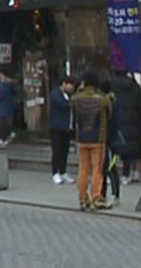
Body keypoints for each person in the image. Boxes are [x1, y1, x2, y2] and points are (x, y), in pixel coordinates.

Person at [71, 71, 111, 210]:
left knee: (83, 169)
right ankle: (96, 196)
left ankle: (82, 197)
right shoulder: (102, 99)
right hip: (98, 138)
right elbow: (109, 113)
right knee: (97, 170)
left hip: (81, 138)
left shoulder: (76, 99)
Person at [47, 75, 75, 184]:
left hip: (66, 127)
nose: (71, 88)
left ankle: (63, 171)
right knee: (57, 150)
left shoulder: (68, 95)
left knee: (65, 150)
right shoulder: (55, 94)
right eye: (70, 85)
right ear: (64, 84)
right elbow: (64, 105)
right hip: (56, 127)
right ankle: (55, 172)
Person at [0, 70, 18, 148]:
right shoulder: (11, 86)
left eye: (0, 75)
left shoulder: (3, 86)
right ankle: (7, 136)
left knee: (0, 125)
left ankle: (3, 139)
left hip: (1, 109)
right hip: (9, 108)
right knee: (6, 124)